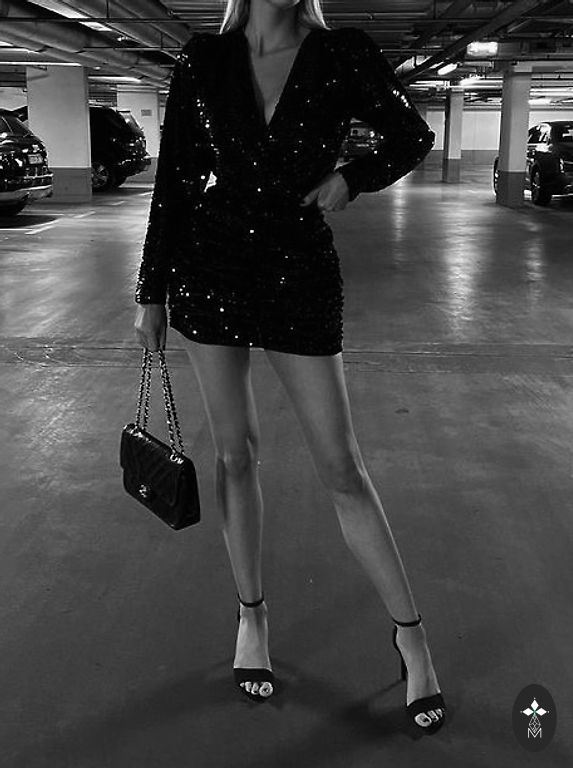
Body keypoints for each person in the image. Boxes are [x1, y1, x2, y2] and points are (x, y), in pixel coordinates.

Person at [134, 0, 446, 733]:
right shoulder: (202, 59)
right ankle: (251, 616)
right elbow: (176, 178)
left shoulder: (342, 53)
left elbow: (411, 133)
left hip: (298, 268)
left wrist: (352, 178)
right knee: (235, 455)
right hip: (209, 267)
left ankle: (411, 637)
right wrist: (150, 290)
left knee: (342, 467)